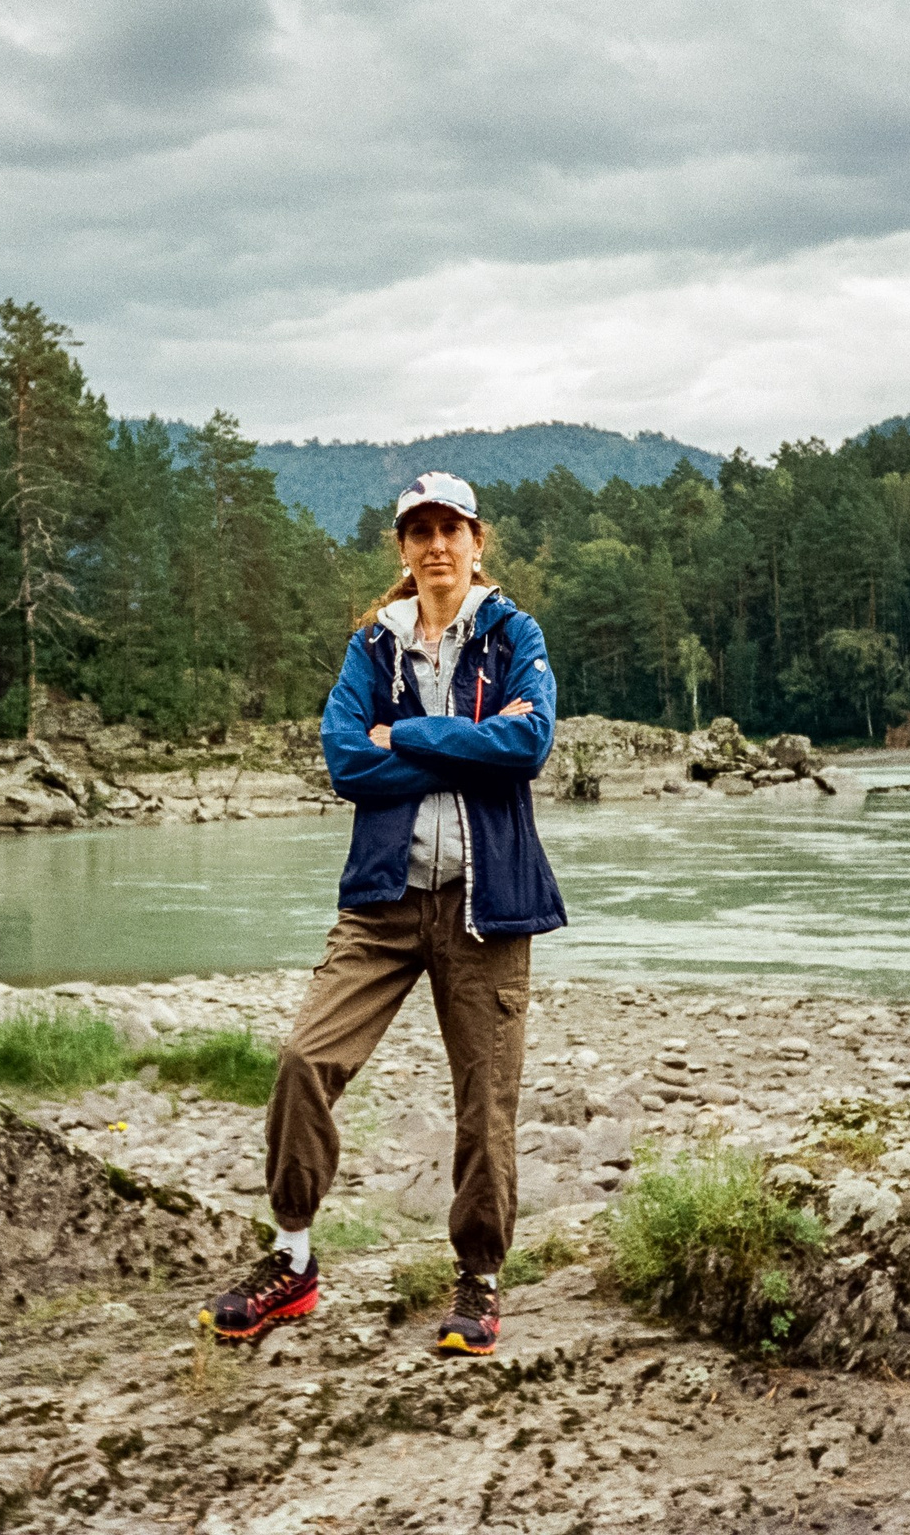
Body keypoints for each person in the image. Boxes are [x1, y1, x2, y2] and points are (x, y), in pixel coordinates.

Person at [203, 471, 565, 1356]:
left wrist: (403, 734)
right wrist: (461, 751)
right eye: (419, 531)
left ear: (478, 541)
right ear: (403, 549)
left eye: (452, 528)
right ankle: (292, 1259)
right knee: (302, 1058)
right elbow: (342, 763)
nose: (437, 544)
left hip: (488, 904)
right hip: (383, 900)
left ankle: (478, 1280)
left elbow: (528, 744)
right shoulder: (372, 647)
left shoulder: (513, 634)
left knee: (486, 1102)